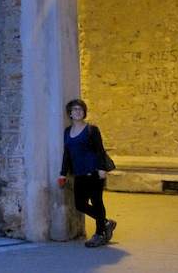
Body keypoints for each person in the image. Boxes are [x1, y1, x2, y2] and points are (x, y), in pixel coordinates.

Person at [58, 98, 116, 247]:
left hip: (94, 172)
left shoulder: (92, 129)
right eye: (74, 110)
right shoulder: (67, 132)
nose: (78, 112)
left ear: (84, 112)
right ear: (70, 114)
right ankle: (105, 223)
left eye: (80, 109)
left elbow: (99, 150)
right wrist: (62, 173)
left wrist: (102, 168)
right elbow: (67, 154)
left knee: (97, 202)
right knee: (80, 204)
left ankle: (100, 233)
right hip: (79, 173)